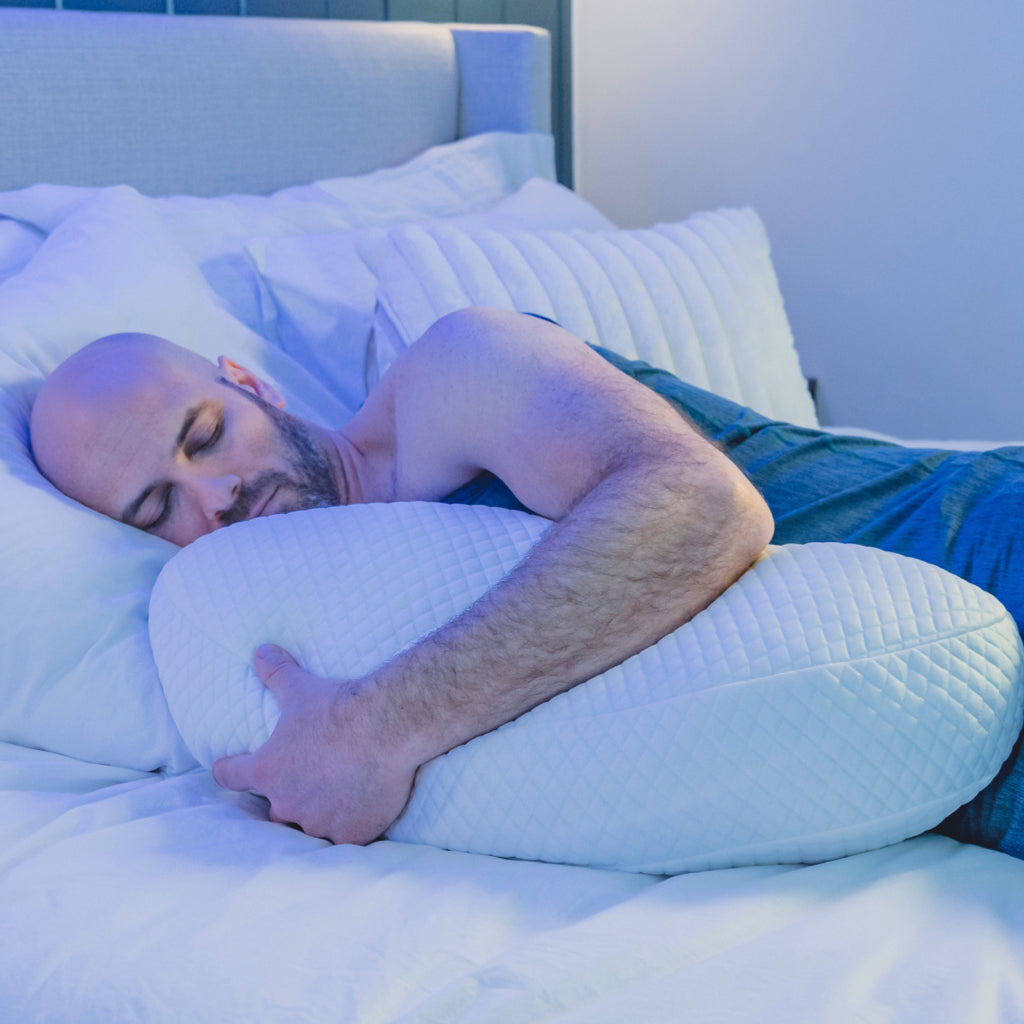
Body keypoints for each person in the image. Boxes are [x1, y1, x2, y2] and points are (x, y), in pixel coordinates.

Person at [29, 308, 1024, 857]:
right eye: (157, 509)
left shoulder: (452, 378)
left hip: (985, 540)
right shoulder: (287, 625)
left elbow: (702, 506)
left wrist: (379, 727)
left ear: (249, 383)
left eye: (205, 435)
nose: (219, 494)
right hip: (950, 745)